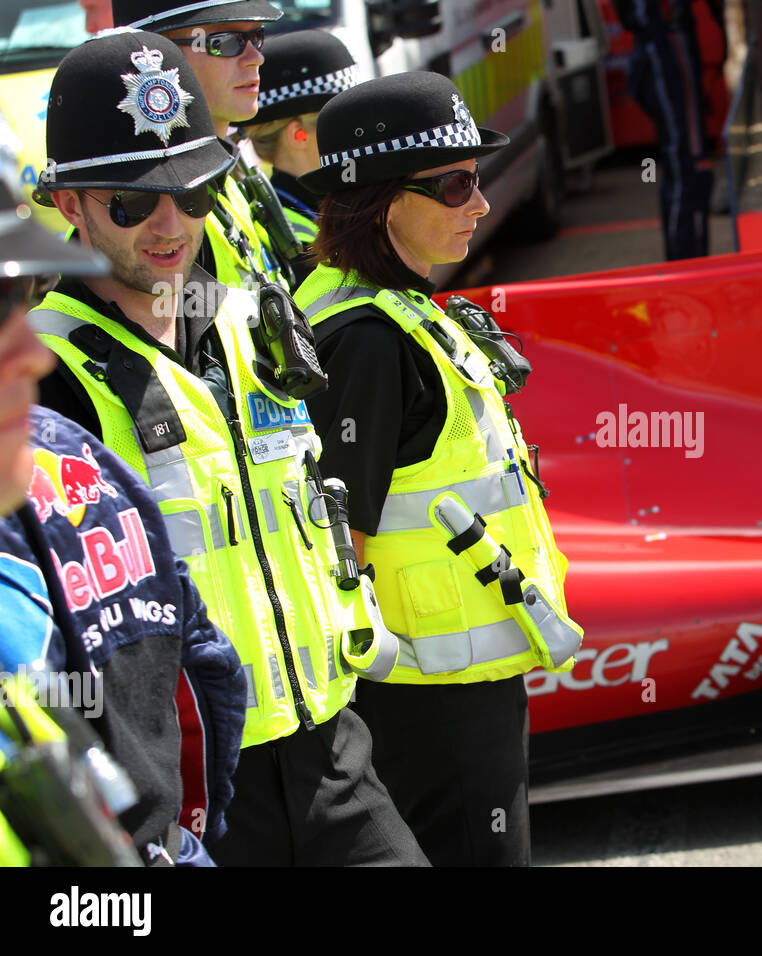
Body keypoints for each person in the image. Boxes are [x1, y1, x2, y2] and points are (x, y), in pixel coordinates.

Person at [30, 30, 425, 866]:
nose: (173, 225)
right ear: (69, 205)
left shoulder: (256, 325)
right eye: (133, 202)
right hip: (192, 799)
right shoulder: (40, 378)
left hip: (332, 758)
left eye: (196, 189)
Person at [294, 72, 583, 865]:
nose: (480, 204)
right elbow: (336, 552)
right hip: (432, 702)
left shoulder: (387, 309)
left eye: (477, 179)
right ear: (384, 202)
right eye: (455, 185)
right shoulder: (367, 340)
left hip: (451, 683)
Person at [0, 119, 244, 866]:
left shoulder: (68, 453)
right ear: (73, 207)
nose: (30, 352)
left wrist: (180, 844)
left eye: (17, 301)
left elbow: (199, 659)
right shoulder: (72, 416)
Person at [113, 0, 298, 290]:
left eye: (257, 37)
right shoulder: (154, 210)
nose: (256, 58)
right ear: (155, 56)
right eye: (225, 42)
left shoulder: (229, 173)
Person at [238, 30, 359, 287]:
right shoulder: (291, 243)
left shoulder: (323, 202)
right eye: (346, 119)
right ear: (299, 134)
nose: (361, 131)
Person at [612, 0, 719, 260]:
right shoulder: (656, 40)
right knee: (684, 161)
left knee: (689, 161)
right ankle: (683, 263)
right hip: (662, 47)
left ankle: (689, 259)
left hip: (671, 41)